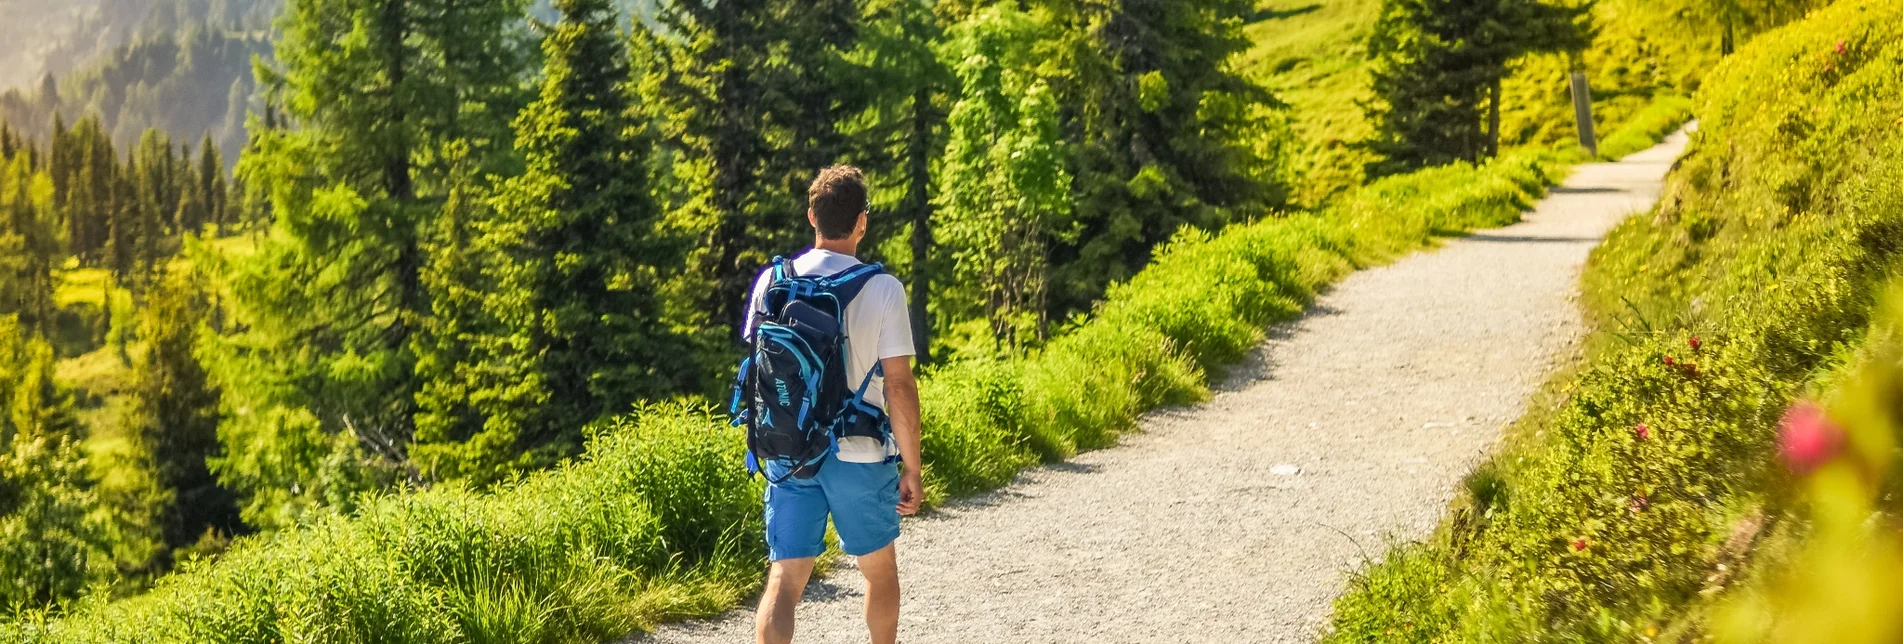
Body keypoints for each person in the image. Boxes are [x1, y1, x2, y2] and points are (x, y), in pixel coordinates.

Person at [741, 165, 924, 644]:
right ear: (862, 221)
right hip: (858, 452)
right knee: (878, 572)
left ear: (811, 217)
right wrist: (913, 466)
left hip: (789, 448)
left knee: (784, 578)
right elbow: (900, 386)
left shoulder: (771, 282)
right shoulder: (883, 289)